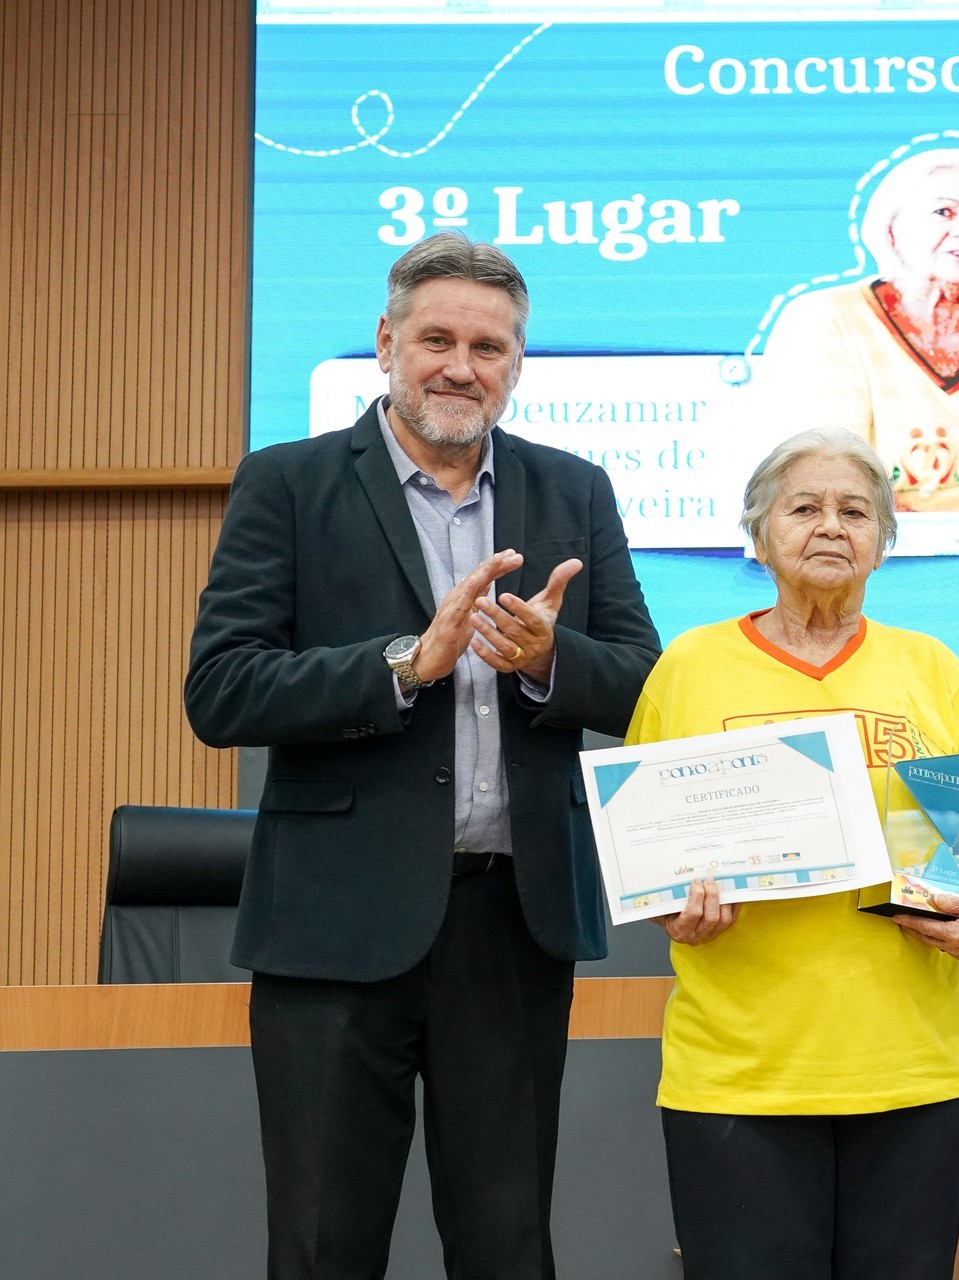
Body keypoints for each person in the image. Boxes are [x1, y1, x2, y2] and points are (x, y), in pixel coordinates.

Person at [184, 232, 661, 1280]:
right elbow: (220, 690)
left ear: (517, 363)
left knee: (506, 1245)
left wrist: (550, 660)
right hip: (333, 928)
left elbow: (643, 681)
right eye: (436, 338)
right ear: (386, 342)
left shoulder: (572, 490)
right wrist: (404, 661)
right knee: (321, 1243)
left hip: (511, 922)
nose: (460, 364)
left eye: (488, 346)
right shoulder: (289, 482)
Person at [626, 427, 959, 1280]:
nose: (830, 526)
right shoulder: (690, 666)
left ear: (881, 542)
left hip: (913, 1078)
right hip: (737, 1081)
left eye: (854, 511)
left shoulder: (927, 667)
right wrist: (670, 911)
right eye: (805, 507)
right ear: (759, 536)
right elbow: (646, 849)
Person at [763, 147, 959, 512]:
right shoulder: (825, 319)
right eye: (943, 212)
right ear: (891, 230)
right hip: (875, 556)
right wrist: (937, 552)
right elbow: (835, 477)